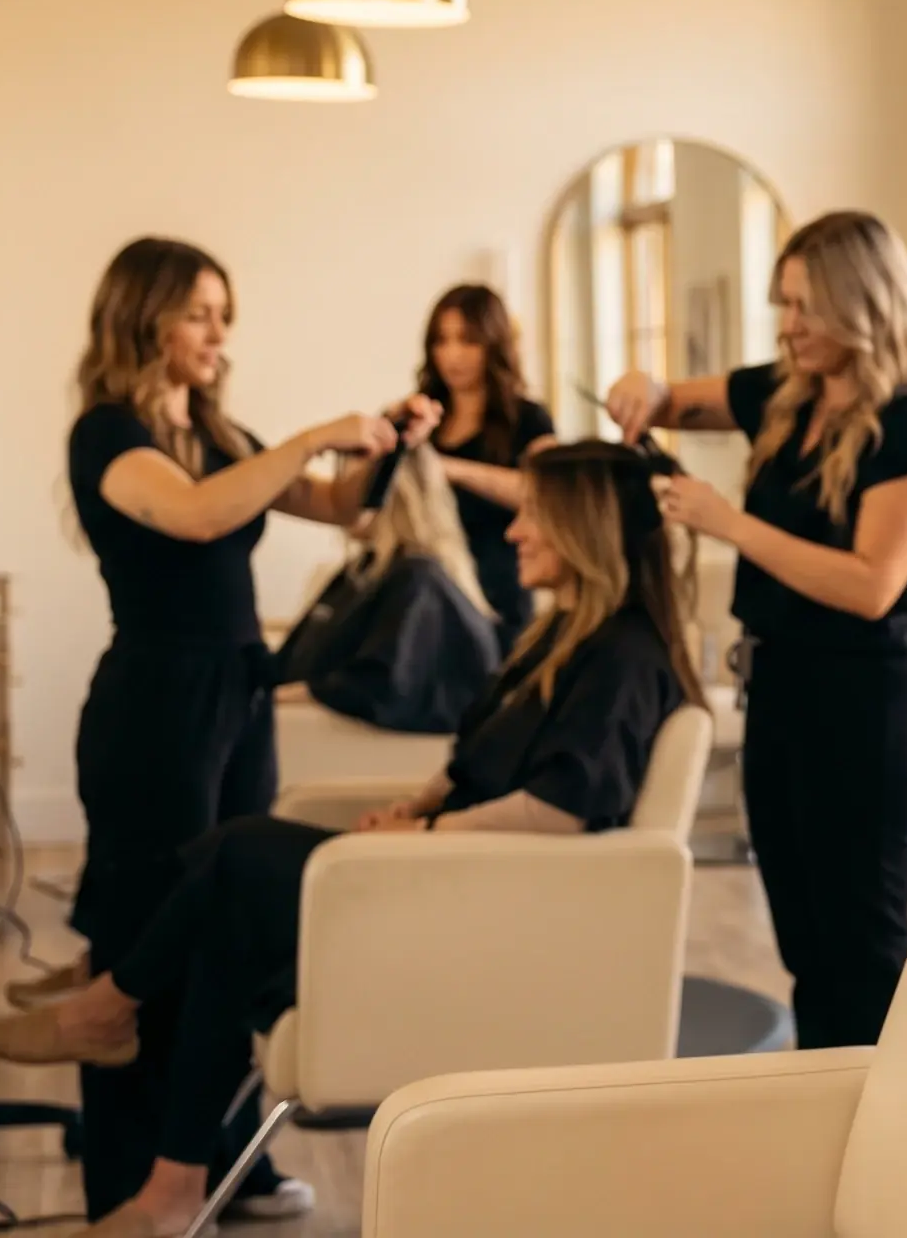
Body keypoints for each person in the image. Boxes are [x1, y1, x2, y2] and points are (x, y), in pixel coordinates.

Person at [0, 441, 695, 1238]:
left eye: (535, 516)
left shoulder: (624, 657)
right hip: (455, 887)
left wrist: (425, 832)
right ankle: (169, 1188)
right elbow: (480, 761)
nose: (515, 532)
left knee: (239, 852)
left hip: (492, 919)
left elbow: (561, 808)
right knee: (228, 919)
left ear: (585, 529)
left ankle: (110, 1009)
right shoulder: (563, 640)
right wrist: (414, 803)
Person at [54, 236, 438, 1219]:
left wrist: (385, 445)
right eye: (198, 312)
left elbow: (339, 508)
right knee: (143, 925)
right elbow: (194, 518)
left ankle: (225, 1158)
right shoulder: (107, 434)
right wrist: (313, 432)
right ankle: (129, 1181)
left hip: (237, 694)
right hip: (154, 702)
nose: (219, 332)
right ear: (144, 318)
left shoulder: (222, 432)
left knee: (223, 919)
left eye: (224, 312)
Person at [604, 209, 907, 1050]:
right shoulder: (783, 395)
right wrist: (642, 386)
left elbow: (873, 585)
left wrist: (728, 524)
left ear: (862, 304)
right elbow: (674, 402)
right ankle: (823, 1111)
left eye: (805, 307)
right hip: (781, 687)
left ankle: (890, 1128)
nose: (788, 326)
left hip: (866, 700)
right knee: (802, 935)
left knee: (860, 942)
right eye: (782, 304)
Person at [271, 443, 502, 735]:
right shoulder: (363, 571)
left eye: (351, 485)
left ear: (391, 494)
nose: (338, 495)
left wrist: (284, 697)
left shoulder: (419, 582)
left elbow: (381, 685)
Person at [416, 283, 557, 638]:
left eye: (467, 340)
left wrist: (452, 470)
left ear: (494, 343)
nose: (452, 355)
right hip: (428, 599)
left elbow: (549, 493)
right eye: (441, 341)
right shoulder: (422, 420)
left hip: (497, 600)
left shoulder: (528, 419)